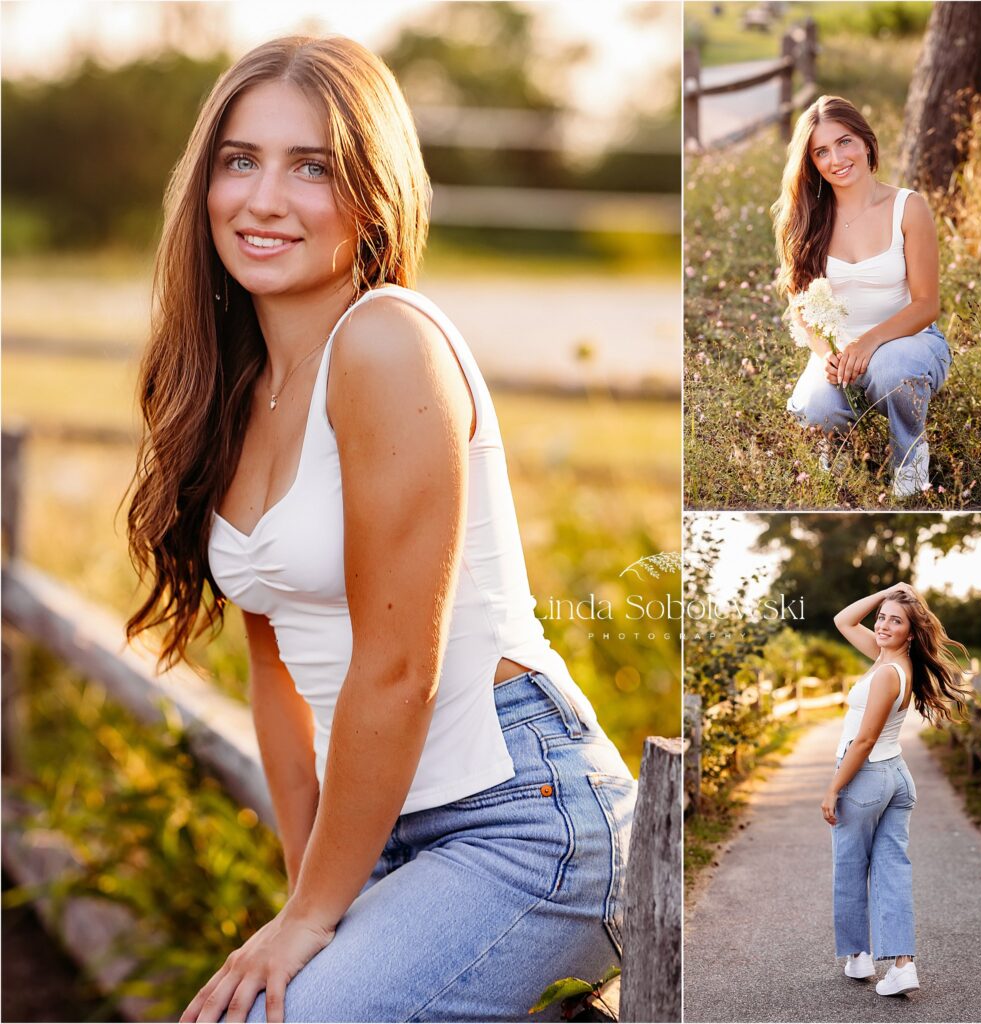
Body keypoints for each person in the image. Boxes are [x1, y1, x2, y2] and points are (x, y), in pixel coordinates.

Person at [125, 35, 636, 1024]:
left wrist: (314, 915)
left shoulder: (388, 342)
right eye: (241, 159)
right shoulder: (230, 392)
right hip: (384, 825)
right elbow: (278, 677)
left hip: (524, 814)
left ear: (371, 195)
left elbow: (398, 667)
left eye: (310, 166)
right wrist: (307, 893)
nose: (263, 198)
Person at [771, 96, 952, 499]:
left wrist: (868, 342)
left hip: (909, 343)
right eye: (821, 151)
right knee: (813, 411)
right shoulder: (805, 218)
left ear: (866, 143)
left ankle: (909, 459)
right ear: (811, 162)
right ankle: (839, 450)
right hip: (842, 355)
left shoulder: (908, 207)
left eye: (845, 142)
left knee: (893, 369)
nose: (836, 158)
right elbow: (800, 305)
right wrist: (826, 355)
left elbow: (927, 305)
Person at [822, 582, 971, 997]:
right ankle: (903, 966)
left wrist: (833, 788)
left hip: (866, 774)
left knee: (851, 867)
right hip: (895, 776)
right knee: (892, 870)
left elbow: (864, 740)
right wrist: (892, 591)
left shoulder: (888, 672)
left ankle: (860, 956)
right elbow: (843, 619)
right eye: (882, 617)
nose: (883, 624)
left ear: (911, 631)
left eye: (896, 620)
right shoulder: (889, 658)